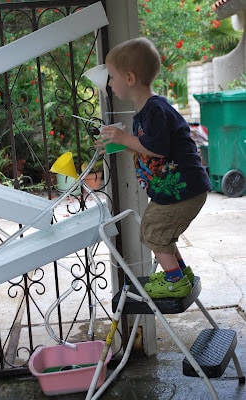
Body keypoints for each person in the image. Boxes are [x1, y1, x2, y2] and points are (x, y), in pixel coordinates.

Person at [95, 37, 212, 299]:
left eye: (111, 77)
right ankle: (179, 273)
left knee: (153, 229)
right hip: (178, 190)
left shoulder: (155, 110)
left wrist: (124, 138)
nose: (109, 84)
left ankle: (175, 282)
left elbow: (157, 147)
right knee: (157, 229)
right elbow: (148, 147)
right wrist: (121, 144)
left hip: (184, 191)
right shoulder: (147, 111)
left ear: (129, 78)